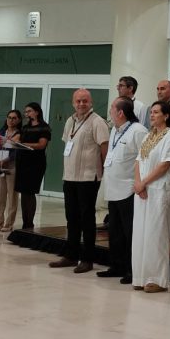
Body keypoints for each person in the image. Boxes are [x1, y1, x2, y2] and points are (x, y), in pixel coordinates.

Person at [49, 88, 110, 273]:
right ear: (73, 103)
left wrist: (104, 173)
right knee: (71, 217)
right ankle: (71, 255)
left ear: (91, 102)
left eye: (85, 101)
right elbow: (68, 144)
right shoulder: (70, 121)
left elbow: (104, 149)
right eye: (78, 101)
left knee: (87, 219)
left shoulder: (98, 122)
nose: (81, 104)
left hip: (88, 178)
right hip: (70, 177)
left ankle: (87, 258)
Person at [98, 97, 148, 284]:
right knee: (115, 231)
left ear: (120, 112)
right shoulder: (114, 130)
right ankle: (116, 265)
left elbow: (144, 159)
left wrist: (140, 183)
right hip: (113, 188)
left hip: (129, 190)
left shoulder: (138, 131)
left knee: (129, 233)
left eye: (112, 108)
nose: (110, 111)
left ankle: (131, 269)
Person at [133, 101, 170, 292]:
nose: (151, 115)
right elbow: (138, 161)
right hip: (143, 191)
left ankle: (157, 279)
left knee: (156, 234)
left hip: (160, 190)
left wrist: (144, 182)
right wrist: (138, 183)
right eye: (151, 112)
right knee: (141, 233)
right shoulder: (148, 135)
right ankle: (140, 276)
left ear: (166, 115)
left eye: (156, 112)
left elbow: (165, 164)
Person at [14, 102, 51, 230]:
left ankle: (30, 222)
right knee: (24, 193)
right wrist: (17, 142)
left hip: (36, 163)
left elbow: (42, 145)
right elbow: (17, 139)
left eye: (29, 111)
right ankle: (25, 222)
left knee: (31, 192)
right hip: (23, 162)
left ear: (37, 112)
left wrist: (25, 144)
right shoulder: (25, 127)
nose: (27, 114)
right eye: (26, 112)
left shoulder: (44, 127)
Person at [0, 109, 22, 232]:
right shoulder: (1, 131)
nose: (11, 120)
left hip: (12, 165)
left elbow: (17, 151)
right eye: (9, 117)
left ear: (19, 120)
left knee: (12, 196)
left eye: (14, 118)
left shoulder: (20, 134)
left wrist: (6, 159)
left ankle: (8, 223)